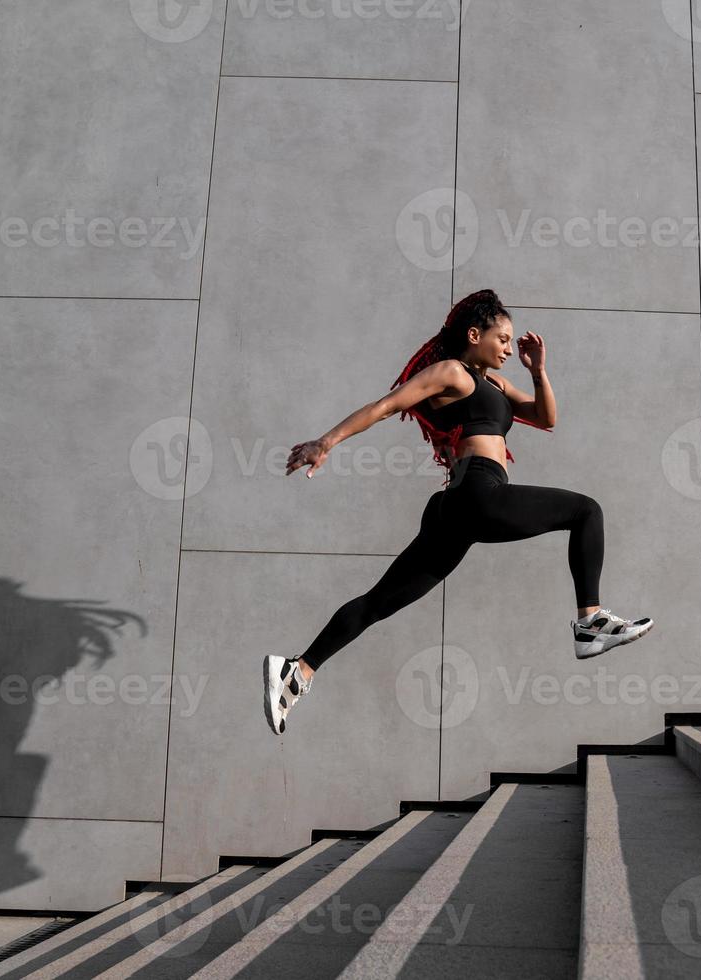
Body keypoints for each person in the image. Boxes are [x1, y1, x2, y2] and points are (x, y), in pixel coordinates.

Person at [263, 289, 653, 735]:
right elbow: (387, 405)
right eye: (502, 338)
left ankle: (297, 672)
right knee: (587, 511)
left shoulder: (495, 384)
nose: (510, 347)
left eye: (511, 341)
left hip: (457, 509)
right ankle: (591, 622)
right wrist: (325, 442)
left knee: (379, 603)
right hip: (476, 493)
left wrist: (540, 371)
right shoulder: (452, 372)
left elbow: (546, 419)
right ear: (474, 334)